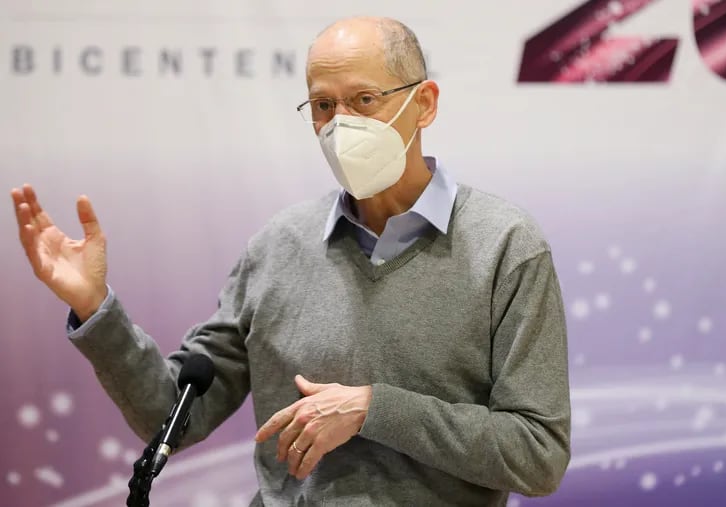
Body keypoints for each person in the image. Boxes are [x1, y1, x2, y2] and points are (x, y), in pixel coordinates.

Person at [10, 16, 570, 507]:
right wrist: (94, 307)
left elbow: (538, 454)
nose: (339, 123)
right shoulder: (278, 246)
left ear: (424, 103)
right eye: (323, 105)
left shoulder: (506, 246)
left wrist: (375, 409)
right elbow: (174, 415)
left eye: (363, 100)